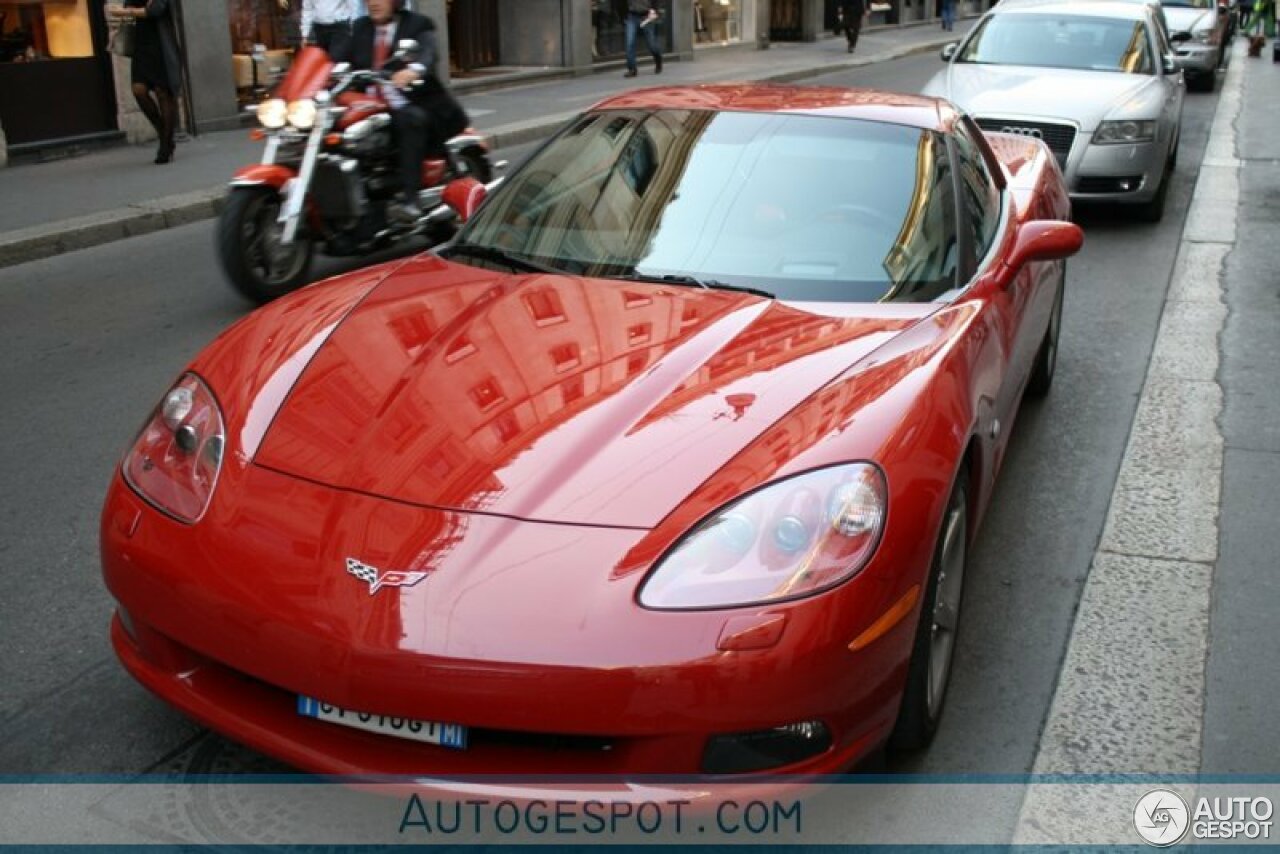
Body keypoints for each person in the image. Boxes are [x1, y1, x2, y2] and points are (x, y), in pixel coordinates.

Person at [333, 0, 469, 222]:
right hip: (367, 107)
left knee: (409, 120)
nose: (374, 3)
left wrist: (414, 70)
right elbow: (337, 58)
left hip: (410, 103)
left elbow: (427, 53)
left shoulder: (417, 24)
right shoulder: (360, 27)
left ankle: (410, 199)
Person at [108, 0, 183, 164]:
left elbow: (155, 11)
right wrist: (120, 17)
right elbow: (130, 15)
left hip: (161, 47)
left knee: (163, 93)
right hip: (141, 48)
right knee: (138, 90)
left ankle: (165, 145)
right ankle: (164, 133)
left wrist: (126, 12)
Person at [623, 0, 662, 78]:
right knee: (630, 42)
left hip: (646, 16)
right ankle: (632, 69)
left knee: (651, 44)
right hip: (632, 16)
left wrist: (654, 10)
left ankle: (658, 60)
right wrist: (623, 15)